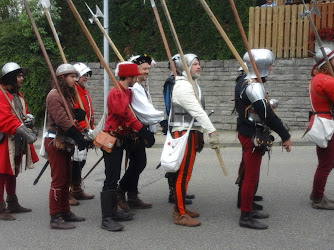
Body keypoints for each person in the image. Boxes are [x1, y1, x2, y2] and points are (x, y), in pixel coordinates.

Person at [235, 49, 291, 230]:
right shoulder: (253, 86)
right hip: (252, 134)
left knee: (248, 174)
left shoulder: (242, 81)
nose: (272, 68)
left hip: (246, 131)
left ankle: (248, 206)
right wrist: (285, 135)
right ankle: (245, 215)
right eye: (269, 65)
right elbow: (267, 116)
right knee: (251, 177)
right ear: (261, 66)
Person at [101, 62, 154, 231]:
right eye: (135, 76)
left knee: (115, 176)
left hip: (122, 137)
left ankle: (114, 212)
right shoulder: (116, 92)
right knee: (111, 178)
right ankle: (107, 217)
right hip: (111, 138)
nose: (137, 78)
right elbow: (125, 115)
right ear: (130, 76)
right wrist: (142, 130)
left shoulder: (126, 92)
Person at [170, 53, 220, 227]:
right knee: (183, 176)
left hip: (190, 132)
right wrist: (212, 131)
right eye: (195, 64)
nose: (199, 67)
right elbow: (197, 111)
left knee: (185, 175)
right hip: (184, 133)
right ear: (186, 67)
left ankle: (180, 207)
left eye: (199, 63)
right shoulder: (183, 86)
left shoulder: (192, 84)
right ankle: (181, 214)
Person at [116, 55, 163, 211]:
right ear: (135, 71)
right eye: (144, 69)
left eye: (148, 69)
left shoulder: (139, 87)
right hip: (133, 131)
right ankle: (121, 191)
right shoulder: (134, 89)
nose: (147, 72)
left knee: (138, 162)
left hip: (139, 130)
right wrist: (162, 119)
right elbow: (144, 111)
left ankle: (133, 196)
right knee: (138, 163)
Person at [44, 64, 88, 229]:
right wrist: (78, 136)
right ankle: (55, 216)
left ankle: (65, 211)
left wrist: (77, 115)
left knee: (66, 179)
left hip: (65, 141)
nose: (75, 79)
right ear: (62, 78)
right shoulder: (54, 96)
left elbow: (68, 117)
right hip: (55, 141)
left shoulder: (65, 95)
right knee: (58, 180)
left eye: (75, 76)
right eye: (71, 76)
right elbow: (62, 120)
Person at [0, 62, 38, 221]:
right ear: (10, 77)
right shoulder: (1, 94)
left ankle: (12, 202)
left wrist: (28, 120)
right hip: (3, 139)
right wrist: (24, 131)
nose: (22, 79)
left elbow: (23, 114)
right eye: (19, 76)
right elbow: (4, 118)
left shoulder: (17, 95)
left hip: (15, 138)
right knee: (1, 173)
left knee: (13, 170)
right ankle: (0, 209)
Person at [163, 54, 195, 205]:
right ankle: (173, 193)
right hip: (176, 124)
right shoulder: (172, 83)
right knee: (176, 160)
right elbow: (171, 106)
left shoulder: (183, 82)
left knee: (182, 161)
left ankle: (179, 192)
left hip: (186, 125)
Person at [308, 47, 334, 209]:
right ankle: (317, 197)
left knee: (328, 162)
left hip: (323, 121)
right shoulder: (327, 81)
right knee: (325, 164)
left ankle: (318, 194)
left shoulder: (319, 78)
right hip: (326, 124)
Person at [68, 62, 95, 206]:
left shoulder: (82, 90)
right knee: (73, 163)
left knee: (81, 161)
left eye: (86, 74)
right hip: (77, 132)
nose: (86, 77)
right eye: (83, 74)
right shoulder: (73, 91)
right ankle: (68, 192)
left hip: (85, 130)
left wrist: (90, 128)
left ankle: (76, 189)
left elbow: (87, 111)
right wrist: (84, 129)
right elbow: (75, 114)